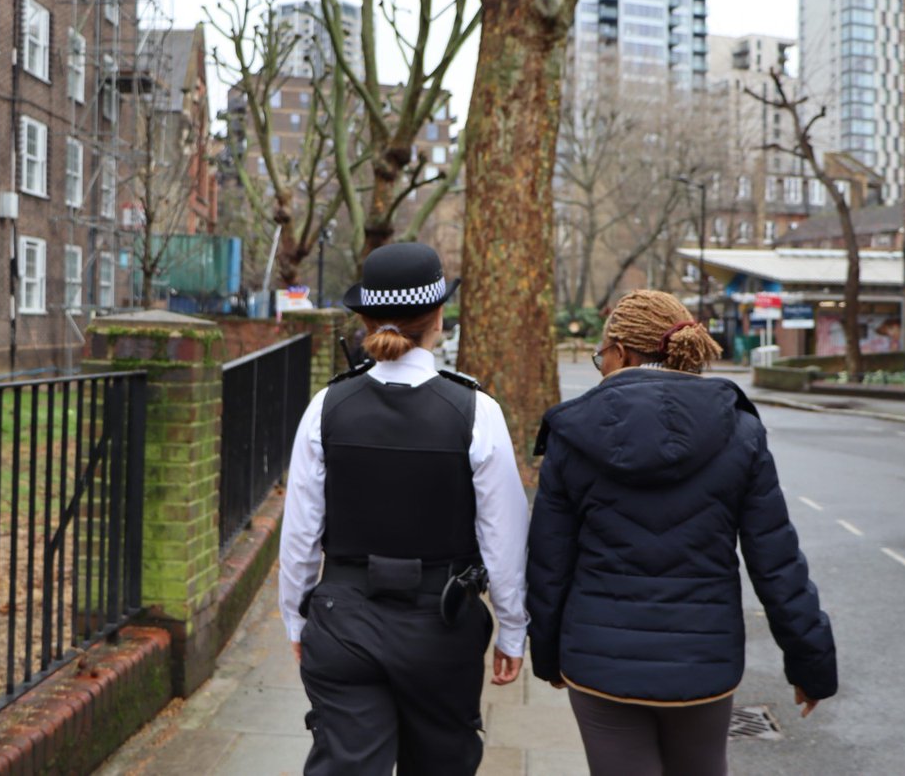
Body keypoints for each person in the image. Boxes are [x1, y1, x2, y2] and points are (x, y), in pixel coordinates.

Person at [527, 289, 837, 776]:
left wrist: (547, 658)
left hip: (600, 660)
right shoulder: (741, 432)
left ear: (622, 353)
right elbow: (777, 563)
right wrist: (811, 663)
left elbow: (548, 565)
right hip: (704, 661)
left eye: (601, 356)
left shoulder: (571, 435)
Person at [279, 242, 528, 776]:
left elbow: (300, 534)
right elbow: (504, 538)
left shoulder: (326, 407)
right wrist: (512, 628)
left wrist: (296, 621)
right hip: (441, 625)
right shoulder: (476, 411)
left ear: (365, 318)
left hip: (343, 623)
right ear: (438, 317)